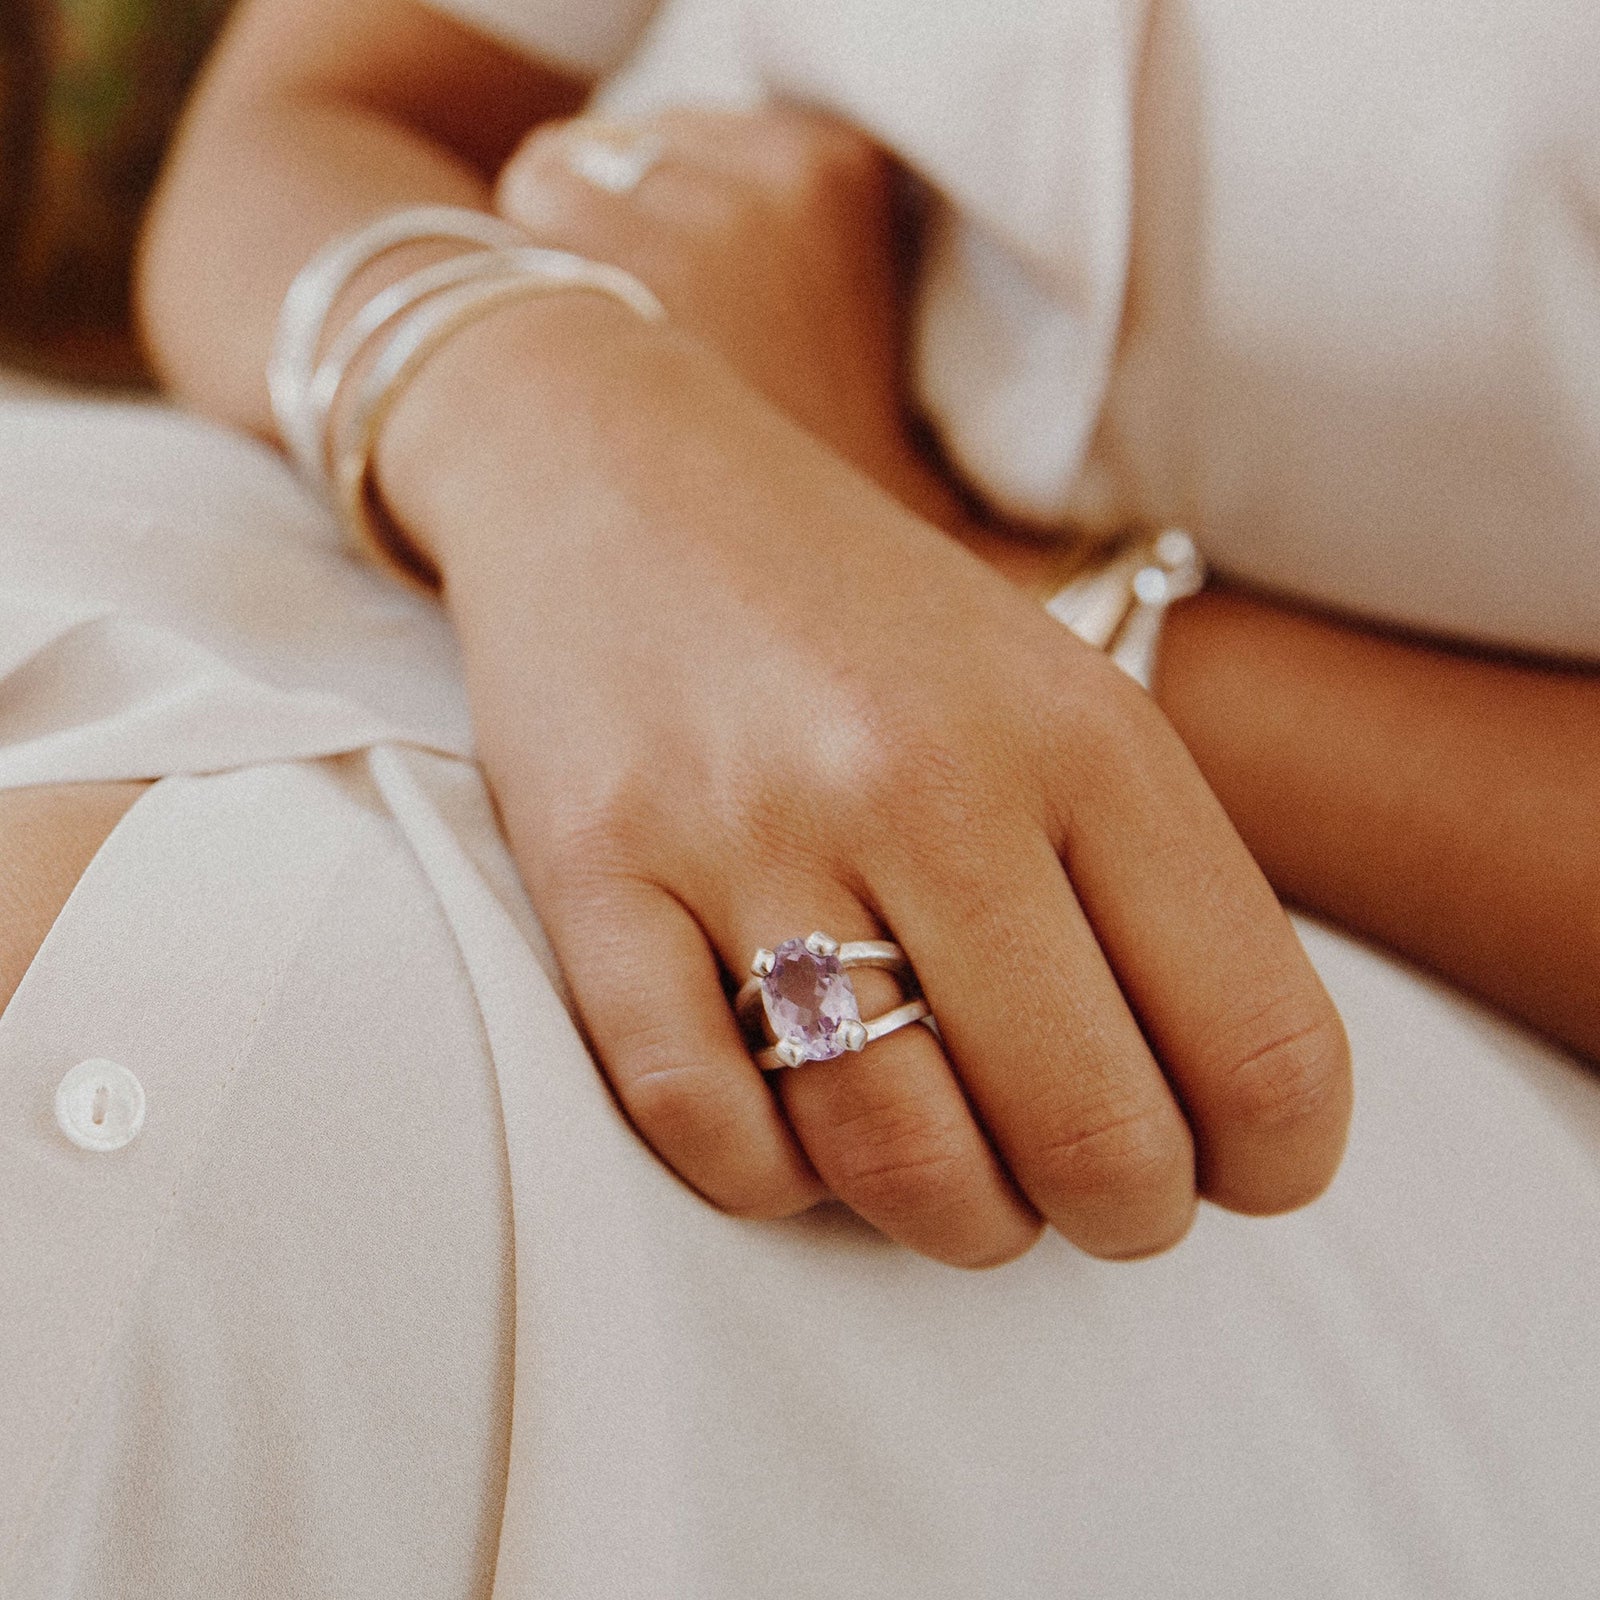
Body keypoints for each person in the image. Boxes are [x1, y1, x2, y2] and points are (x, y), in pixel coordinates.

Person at [2, 0, 1598, 1593]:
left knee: (156, 1070)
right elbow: (312, 112)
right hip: (527, 500)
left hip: (1417, 975)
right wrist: (569, 430)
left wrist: (945, 559)